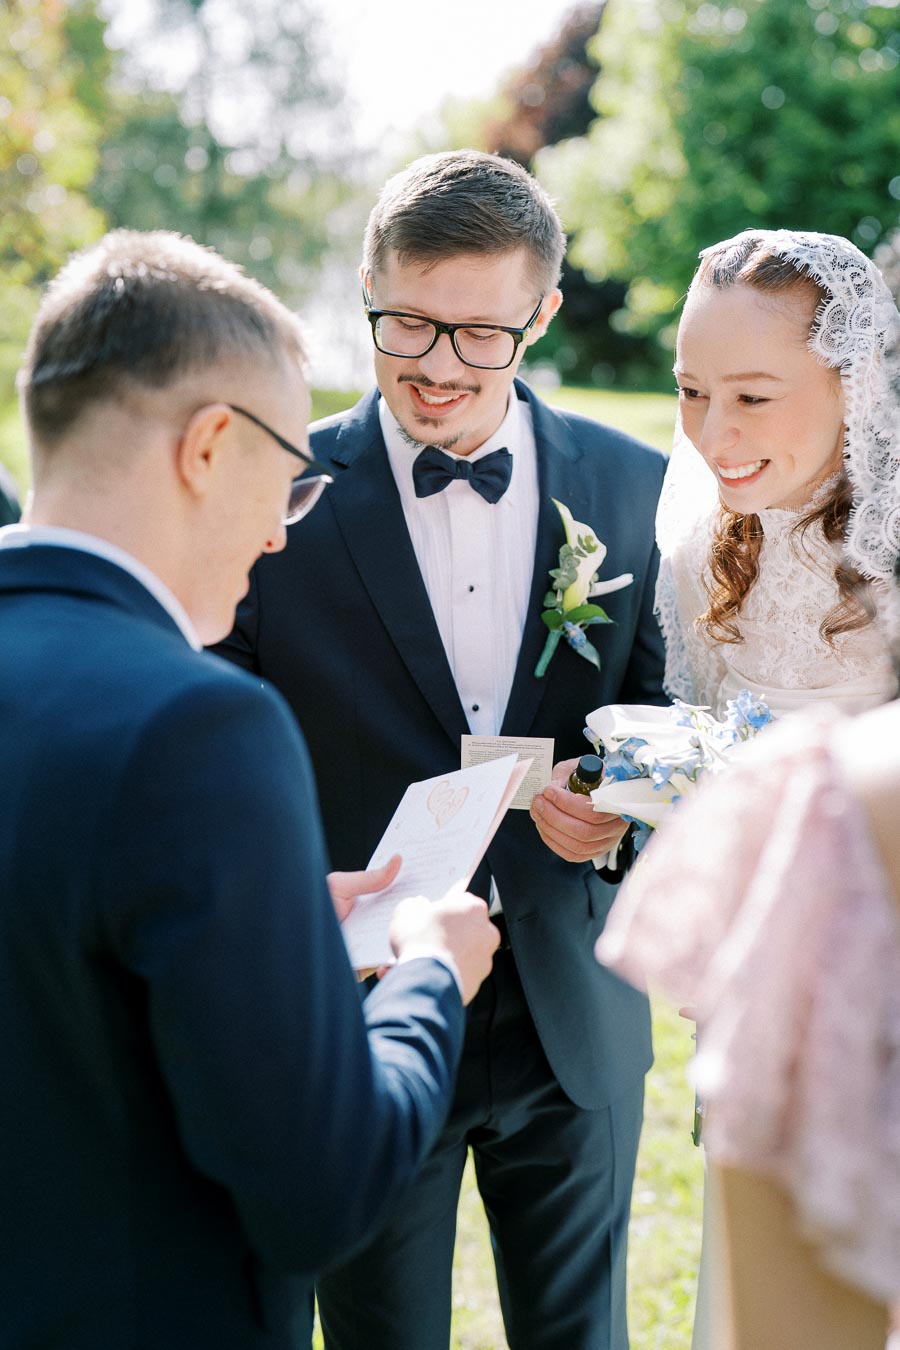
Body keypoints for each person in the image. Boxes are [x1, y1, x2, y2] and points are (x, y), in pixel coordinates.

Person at [0, 228, 502, 1350]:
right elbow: (319, 1188)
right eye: (288, 483)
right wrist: (425, 973)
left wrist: (266, 933)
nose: (280, 533)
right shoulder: (198, 726)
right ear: (211, 445)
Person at [216, 149, 668, 1350]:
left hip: (573, 1008)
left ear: (544, 313)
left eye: (482, 335)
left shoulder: (635, 490)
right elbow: (219, 741)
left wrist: (617, 802)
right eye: (406, 324)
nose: (436, 368)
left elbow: (666, 710)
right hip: (360, 1004)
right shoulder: (276, 490)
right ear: (365, 286)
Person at [608, 228, 900, 1349]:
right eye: (689, 391)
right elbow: (712, 744)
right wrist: (635, 804)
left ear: (852, 380)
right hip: (761, 977)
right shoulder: (704, 543)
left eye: (752, 396)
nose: (713, 435)